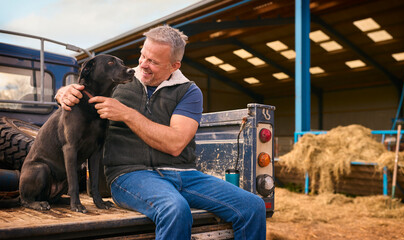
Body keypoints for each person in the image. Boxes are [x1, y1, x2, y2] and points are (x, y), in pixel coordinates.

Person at [55, 25, 266, 240]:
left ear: (174, 66)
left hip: (185, 175)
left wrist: (128, 114)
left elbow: (175, 144)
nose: (143, 65)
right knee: (175, 209)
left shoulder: (189, 92)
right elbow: (80, 95)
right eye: (142, 56)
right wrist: (63, 93)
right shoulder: (118, 81)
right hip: (130, 174)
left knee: (253, 206)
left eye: (153, 62)